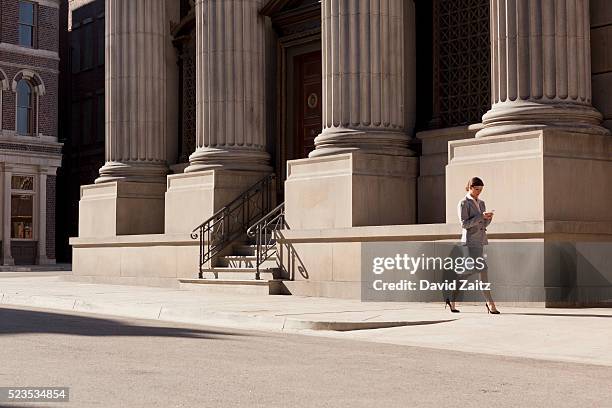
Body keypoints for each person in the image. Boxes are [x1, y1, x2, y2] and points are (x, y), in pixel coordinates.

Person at [445, 177, 500, 314]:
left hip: (480, 241)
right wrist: (481, 216)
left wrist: (489, 219)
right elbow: (464, 224)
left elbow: (483, 225)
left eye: (481, 189)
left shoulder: (482, 203)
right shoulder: (463, 203)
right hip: (469, 242)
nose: (478, 192)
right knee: (482, 269)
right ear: (470, 187)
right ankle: (490, 303)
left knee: (469, 271)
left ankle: (451, 297)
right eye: (476, 189)